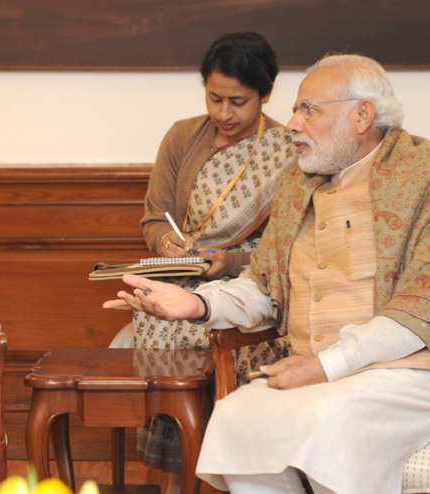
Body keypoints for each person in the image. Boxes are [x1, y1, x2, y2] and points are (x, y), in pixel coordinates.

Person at [104, 53, 430, 494]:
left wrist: (324, 366)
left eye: (308, 110)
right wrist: (198, 303)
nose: (292, 124)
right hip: (330, 374)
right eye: (296, 109)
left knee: (335, 416)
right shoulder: (299, 185)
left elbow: (424, 312)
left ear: (362, 115)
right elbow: (262, 287)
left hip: (428, 372)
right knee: (240, 416)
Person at [119, 32, 297, 492]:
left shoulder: (287, 150)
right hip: (181, 281)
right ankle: (185, 473)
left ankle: (231, 473)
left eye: (238, 101)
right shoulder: (182, 137)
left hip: (250, 287)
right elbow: (154, 218)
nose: (224, 113)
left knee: (208, 338)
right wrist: (168, 248)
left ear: (265, 94)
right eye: (215, 98)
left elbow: (288, 246)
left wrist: (232, 260)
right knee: (150, 328)